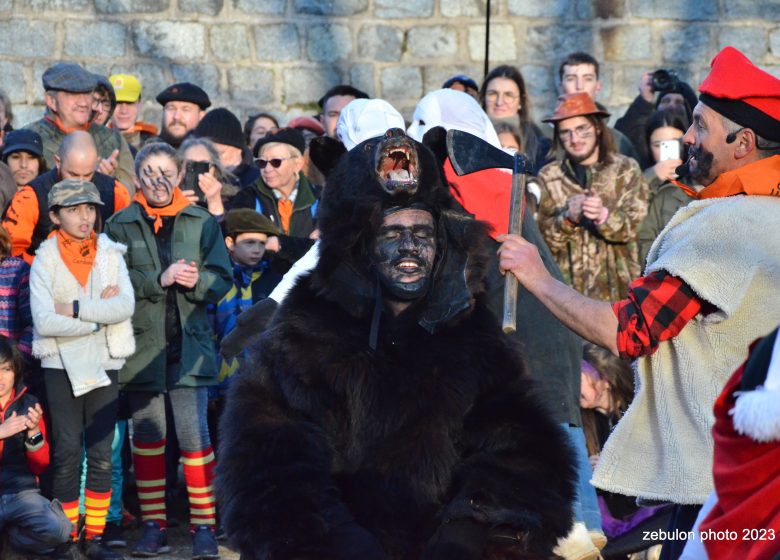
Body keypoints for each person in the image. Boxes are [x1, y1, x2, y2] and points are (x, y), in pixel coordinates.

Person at [216, 128, 576, 559]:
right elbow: (267, 473)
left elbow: (525, 455)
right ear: (359, 244)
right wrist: (346, 545)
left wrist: (465, 530)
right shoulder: (299, 339)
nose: (409, 248)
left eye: (422, 233)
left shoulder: (471, 333)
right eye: (391, 233)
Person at [498, 46, 780, 560]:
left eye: (700, 126)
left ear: (742, 142)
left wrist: (536, 276)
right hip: (753, 479)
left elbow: (628, 331)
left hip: (716, 490)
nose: (687, 138)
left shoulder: (728, 226)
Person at [104, 142, 232, 559]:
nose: (158, 182)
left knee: (195, 436)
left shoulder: (200, 221)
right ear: (137, 178)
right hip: (141, 347)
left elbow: (222, 279)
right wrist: (157, 280)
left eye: (166, 173)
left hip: (189, 346)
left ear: (179, 177)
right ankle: (154, 524)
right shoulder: (120, 224)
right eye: (148, 173)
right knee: (147, 437)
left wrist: (196, 281)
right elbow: (111, 284)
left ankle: (204, 527)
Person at [29, 178, 135, 560]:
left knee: (103, 451)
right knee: (68, 451)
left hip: (104, 361)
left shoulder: (110, 253)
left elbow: (124, 307)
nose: (84, 217)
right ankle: (67, 538)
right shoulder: (44, 260)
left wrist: (73, 307)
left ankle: (96, 537)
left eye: (90, 208)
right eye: (74, 210)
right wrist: (96, 317)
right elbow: (44, 321)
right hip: (60, 363)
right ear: (55, 216)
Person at [535, 92, 648, 302]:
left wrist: (604, 216)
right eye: (566, 133)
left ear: (597, 127)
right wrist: (568, 218)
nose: (575, 139)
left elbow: (638, 227)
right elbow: (542, 242)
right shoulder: (549, 177)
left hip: (618, 297)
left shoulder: (626, 170)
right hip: (565, 298)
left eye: (581, 129)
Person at [207, 208, 281, 447]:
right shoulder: (216, 279)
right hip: (219, 380)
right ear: (230, 242)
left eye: (261, 243)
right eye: (249, 242)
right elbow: (208, 331)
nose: (257, 249)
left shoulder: (272, 279)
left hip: (259, 381)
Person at [3, 131, 131, 265]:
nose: (80, 183)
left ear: (96, 163)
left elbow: (128, 245)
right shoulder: (30, 196)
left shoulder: (115, 192)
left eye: (88, 175)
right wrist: (47, 268)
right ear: (58, 162)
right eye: (73, 174)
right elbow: (11, 252)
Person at [0, 335, 72, 558]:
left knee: (59, 529)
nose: (1, 377)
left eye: (6, 369)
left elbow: (40, 465)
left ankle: (12, 541)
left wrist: (33, 433)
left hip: (20, 491)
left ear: (16, 372)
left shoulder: (29, 403)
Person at [25, 62, 134, 189]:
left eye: (88, 93)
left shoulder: (113, 140)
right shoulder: (28, 139)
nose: (83, 102)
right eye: (73, 94)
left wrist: (107, 183)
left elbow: (129, 191)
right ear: (51, 100)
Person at [227, 128, 318, 271]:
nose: (267, 169)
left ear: (298, 164)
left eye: (276, 162)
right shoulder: (247, 197)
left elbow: (324, 249)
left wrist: (280, 243)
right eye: (262, 163)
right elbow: (240, 245)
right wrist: (302, 245)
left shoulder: (321, 199)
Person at [557, 52, 641, 162]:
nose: (579, 86)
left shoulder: (618, 141)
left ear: (597, 86)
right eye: (571, 79)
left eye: (588, 79)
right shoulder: (543, 139)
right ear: (560, 87)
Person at [637, 108, 693, 264]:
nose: (666, 151)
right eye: (658, 145)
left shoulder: (702, 181)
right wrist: (652, 176)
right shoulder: (638, 179)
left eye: (674, 143)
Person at [615, 70, 698, 170]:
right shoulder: (646, 135)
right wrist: (644, 100)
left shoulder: (699, 139)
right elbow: (623, 137)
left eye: (679, 102)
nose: (671, 106)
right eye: (666, 101)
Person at [479, 65, 552, 174]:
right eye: (492, 94)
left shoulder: (540, 147)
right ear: (484, 98)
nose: (499, 102)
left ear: (520, 102)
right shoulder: (469, 135)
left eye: (508, 95)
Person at [192, 107, 259, 190]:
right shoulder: (191, 175)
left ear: (238, 150)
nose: (212, 161)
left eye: (219, 153)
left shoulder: (257, 181)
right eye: (206, 155)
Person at [178, 136, 234, 215]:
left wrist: (215, 203)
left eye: (203, 165)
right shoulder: (169, 196)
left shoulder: (232, 199)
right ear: (181, 168)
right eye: (191, 165)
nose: (198, 171)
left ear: (214, 169)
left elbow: (225, 227)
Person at [109, 74, 158, 156]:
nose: (123, 111)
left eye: (129, 103)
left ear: (140, 105)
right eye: (117, 103)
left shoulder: (154, 146)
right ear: (107, 104)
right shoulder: (94, 141)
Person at [154, 82, 211, 148]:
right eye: (171, 108)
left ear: (201, 116)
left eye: (185, 109)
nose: (176, 117)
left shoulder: (213, 154)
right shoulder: (147, 154)